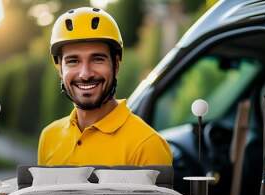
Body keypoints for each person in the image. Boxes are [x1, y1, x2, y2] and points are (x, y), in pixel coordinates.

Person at [38, 7, 172, 166]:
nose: (85, 74)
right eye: (73, 61)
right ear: (60, 69)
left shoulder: (148, 145)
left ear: (116, 65)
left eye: (97, 59)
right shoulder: (49, 137)